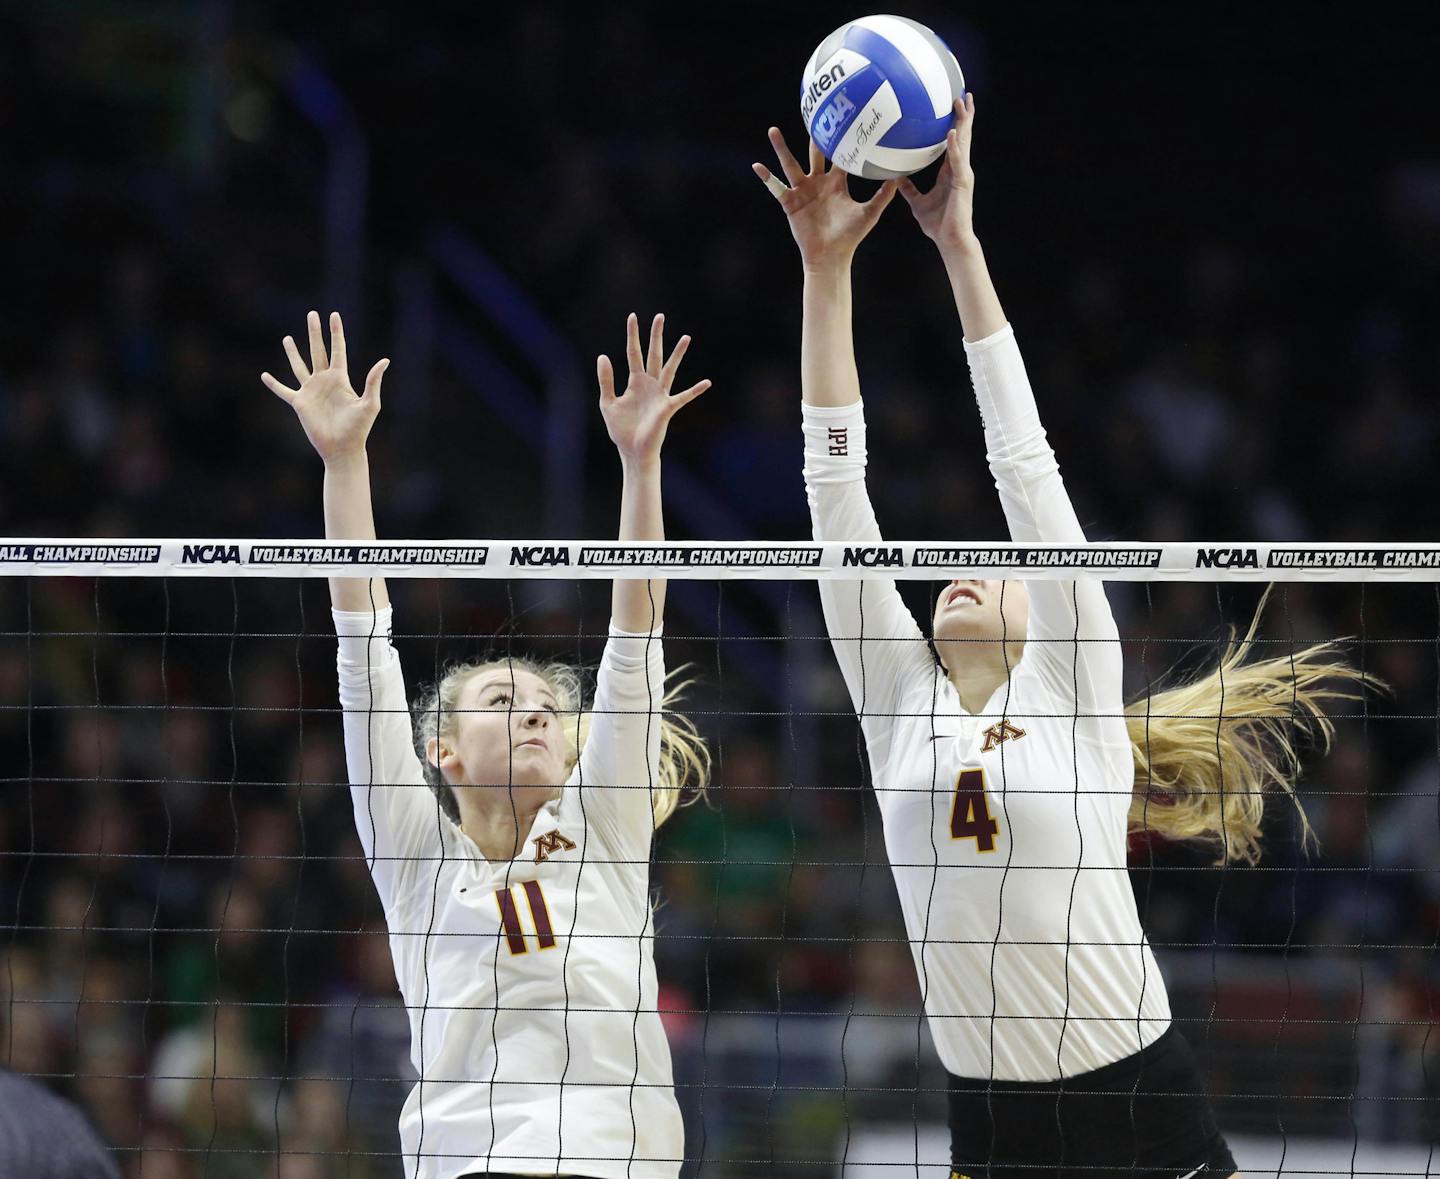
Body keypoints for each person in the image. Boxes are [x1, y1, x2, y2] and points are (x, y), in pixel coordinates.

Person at [756, 97, 1371, 1179]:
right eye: (953, 569)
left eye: (997, 570)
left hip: (1135, 1104)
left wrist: (959, 245)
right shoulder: (901, 705)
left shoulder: (1070, 692)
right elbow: (834, 492)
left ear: (1051, 615)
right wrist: (825, 271)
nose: (964, 571)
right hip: (990, 1127)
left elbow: (1024, 465)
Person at [261, 311, 712, 1179]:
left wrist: (641, 462)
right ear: (444, 752)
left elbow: (635, 641)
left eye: (547, 704)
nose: (539, 714)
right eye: (505, 702)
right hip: (464, 1156)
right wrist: (346, 463)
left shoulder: (604, 835)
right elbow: (363, 650)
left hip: (606, 1154)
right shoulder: (418, 860)